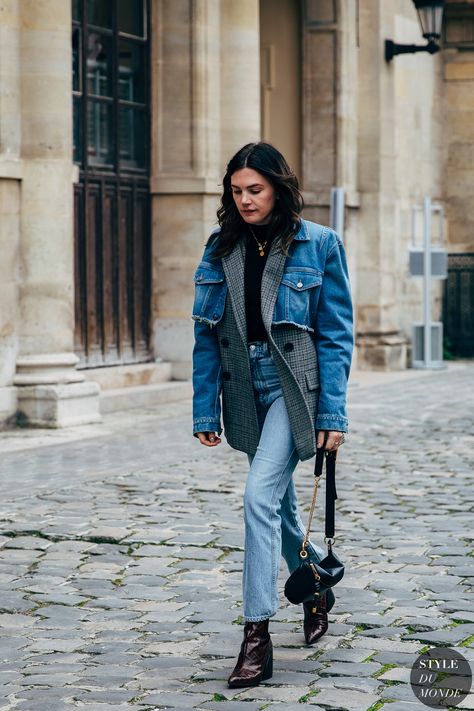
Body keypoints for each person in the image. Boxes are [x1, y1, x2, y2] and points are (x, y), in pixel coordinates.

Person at [191, 142, 353, 688]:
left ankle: (255, 636)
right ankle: (314, 586)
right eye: (236, 191)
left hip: (293, 389)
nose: (244, 200)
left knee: (257, 497)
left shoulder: (320, 244)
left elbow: (335, 336)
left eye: (254, 190)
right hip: (245, 392)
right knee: (278, 505)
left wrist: (333, 412)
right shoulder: (220, 248)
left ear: (279, 188)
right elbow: (206, 336)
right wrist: (203, 406)